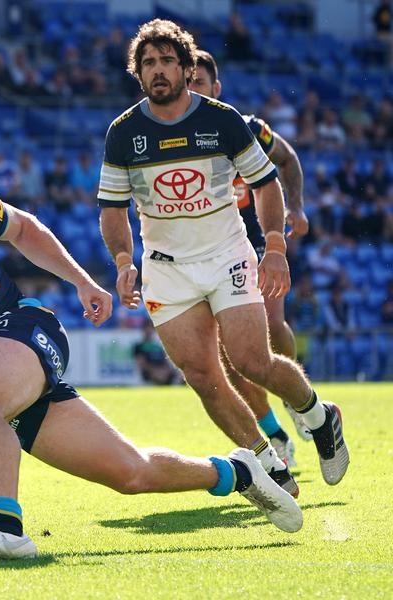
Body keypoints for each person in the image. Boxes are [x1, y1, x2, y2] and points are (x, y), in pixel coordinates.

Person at [0, 114, 302, 561]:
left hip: (24, 329)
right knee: (132, 473)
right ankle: (238, 472)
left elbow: (23, 228)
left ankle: (4, 530)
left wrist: (81, 281)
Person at [97, 19, 349, 496]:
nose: (158, 70)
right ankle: (268, 463)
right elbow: (112, 208)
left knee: (252, 361)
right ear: (137, 72)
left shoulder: (225, 120)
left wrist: (275, 246)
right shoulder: (123, 133)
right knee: (203, 377)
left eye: (167, 60)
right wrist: (124, 261)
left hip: (226, 255)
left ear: (186, 67)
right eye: (148, 62)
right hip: (166, 268)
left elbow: (267, 183)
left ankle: (319, 416)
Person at [190, 50, 311, 455]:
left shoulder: (248, 129)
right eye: (187, 84)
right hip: (208, 251)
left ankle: (297, 396)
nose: (192, 92)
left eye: (200, 84)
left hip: (256, 241)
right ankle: (275, 433)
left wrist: (295, 207)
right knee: (231, 356)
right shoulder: (168, 143)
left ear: (216, 88)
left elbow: (287, 159)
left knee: (272, 326)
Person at [132, 320, 179, 385]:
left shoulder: (158, 346)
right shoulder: (139, 346)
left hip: (162, 371)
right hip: (149, 372)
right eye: (147, 328)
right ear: (143, 330)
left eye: (151, 328)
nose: (149, 331)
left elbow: (165, 361)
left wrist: (166, 370)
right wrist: (154, 370)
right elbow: (141, 363)